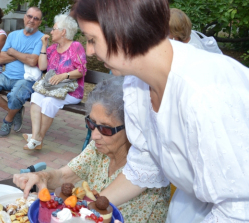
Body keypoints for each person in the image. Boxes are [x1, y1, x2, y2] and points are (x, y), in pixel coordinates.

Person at [72, 0, 249, 222]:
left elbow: (238, 210)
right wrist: (82, 212)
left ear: (122, 31)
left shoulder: (205, 94)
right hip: (192, 207)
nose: (89, 51)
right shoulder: (136, 85)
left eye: (92, 40)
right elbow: (144, 168)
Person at [14, 77, 170, 222]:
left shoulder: (150, 167)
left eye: (106, 129)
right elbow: (64, 176)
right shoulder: (99, 149)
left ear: (132, 129)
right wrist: (43, 177)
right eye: (91, 123)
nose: (94, 135)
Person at [22, 14, 87, 150]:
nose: (51, 31)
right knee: (36, 96)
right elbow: (42, 67)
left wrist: (64, 76)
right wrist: (44, 46)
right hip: (52, 88)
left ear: (63, 31)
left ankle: (38, 138)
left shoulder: (76, 46)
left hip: (71, 91)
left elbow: (82, 70)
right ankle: (35, 137)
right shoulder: (52, 48)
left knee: (49, 102)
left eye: (54, 29)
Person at [0, 7, 44, 138]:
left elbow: (32, 61)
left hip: (26, 79)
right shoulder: (13, 35)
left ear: (40, 22)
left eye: (36, 18)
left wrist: (13, 52)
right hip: (6, 76)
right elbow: (1, 59)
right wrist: (25, 56)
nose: (32, 20)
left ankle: (8, 120)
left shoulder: (41, 39)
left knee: (15, 96)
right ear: (24, 17)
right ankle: (14, 110)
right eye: (30, 16)